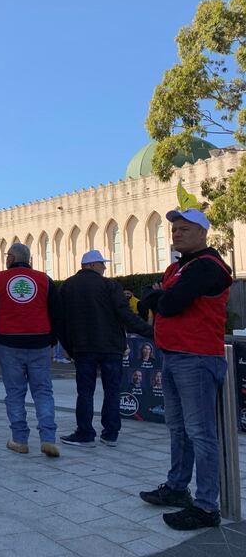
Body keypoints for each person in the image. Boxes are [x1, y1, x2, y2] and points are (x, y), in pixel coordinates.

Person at [138, 208, 232, 531]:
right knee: (178, 429)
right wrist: (158, 296)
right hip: (175, 357)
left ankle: (207, 506)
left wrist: (157, 296)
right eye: (174, 229)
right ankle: (178, 487)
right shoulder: (178, 268)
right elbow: (160, 299)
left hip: (197, 359)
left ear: (203, 232)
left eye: (185, 228)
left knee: (200, 433)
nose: (176, 233)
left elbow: (169, 303)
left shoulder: (209, 266)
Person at [58, 250, 154, 448]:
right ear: (92, 265)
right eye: (102, 264)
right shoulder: (110, 285)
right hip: (111, 347)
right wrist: (152, 332)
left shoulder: (68, 286)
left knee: (85, 392)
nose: (104, 267)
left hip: (83, 347)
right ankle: (110, 433)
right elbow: (126, 316)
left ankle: (85, 433)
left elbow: (61, 320)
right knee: (112, 390)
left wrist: (67, 346)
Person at [0, 243, 61, 458]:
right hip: (40, 342)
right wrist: (51, 339)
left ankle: (19, 439)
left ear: (11, 258)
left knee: (15, 392)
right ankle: (48, 439)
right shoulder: (45, 280)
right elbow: (56, 312)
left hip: (9, 342)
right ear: (29, 258)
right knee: (43, 391)